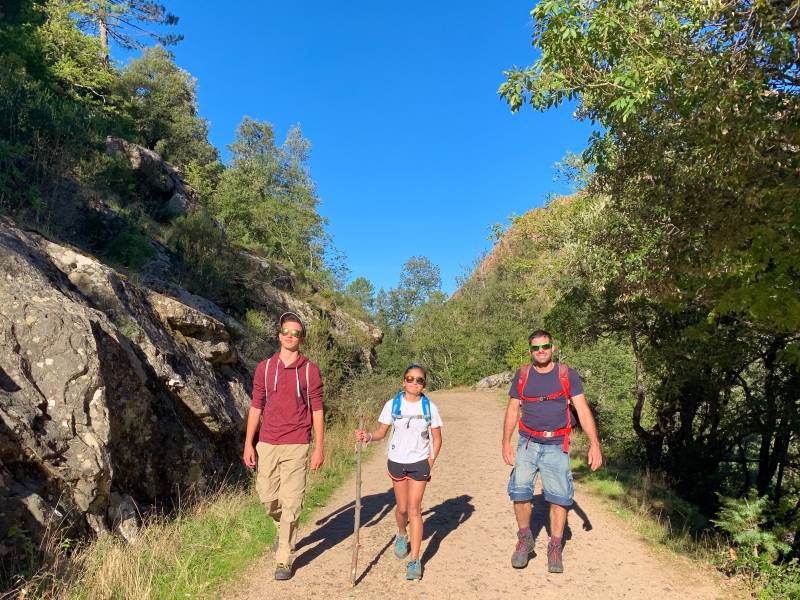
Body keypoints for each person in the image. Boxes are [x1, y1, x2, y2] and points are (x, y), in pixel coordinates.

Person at [502, 330, 602, 574]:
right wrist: (505, 441)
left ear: (553, 347)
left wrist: (594, 443)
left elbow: (583, 409)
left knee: (559, 496)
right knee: (520, 490)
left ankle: (555, 546)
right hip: (528, 442)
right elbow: (513, 409)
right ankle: (525, 538)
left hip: (558, 444)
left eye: (545, 346)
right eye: (536, 348)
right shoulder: (523, 375)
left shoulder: (566, 374)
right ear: (530, 351)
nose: (541, 351)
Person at [243, 312, 325, 581]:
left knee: (291, 502)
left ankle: (284, 559)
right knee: (268, 498)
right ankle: (282, 530)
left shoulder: (310, 370)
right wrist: (249, 444)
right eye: (286, 331)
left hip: (297, 443)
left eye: (296, 333)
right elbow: (256, 406)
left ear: (302, 338)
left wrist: (319, 447)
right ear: (279, 335)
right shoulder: (264, 368)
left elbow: (317, 410)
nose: (291, 336)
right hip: (267, 442)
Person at [355, 365, 443, 581]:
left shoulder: (430, 407)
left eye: (419, 380)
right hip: (396, 461)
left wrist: (430, 461)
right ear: (403, 381)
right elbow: (381, 432)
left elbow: (437, 438)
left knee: (415, 508)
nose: (414, 382)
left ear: (424, 384)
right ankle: (402, 534)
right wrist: (367, 436)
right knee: (402, 508)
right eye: (410, 378)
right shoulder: (392, 404)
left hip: (420, 462)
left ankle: (415, 560)